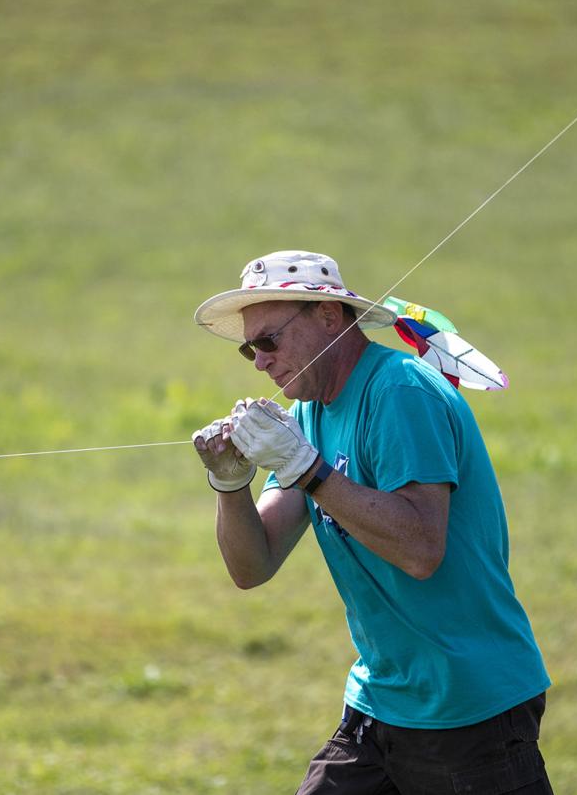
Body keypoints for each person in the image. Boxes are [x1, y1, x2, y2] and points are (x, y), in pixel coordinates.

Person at [191, 251, 553, 795]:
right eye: (249, 349)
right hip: (381, 702)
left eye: (268, 341)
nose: (260, 362)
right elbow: (253, 565)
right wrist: (230, 485)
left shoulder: (400, 392)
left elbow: (420, 549)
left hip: (468, 706)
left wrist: (305, 468)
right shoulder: (309, 412)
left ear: (328, 317)